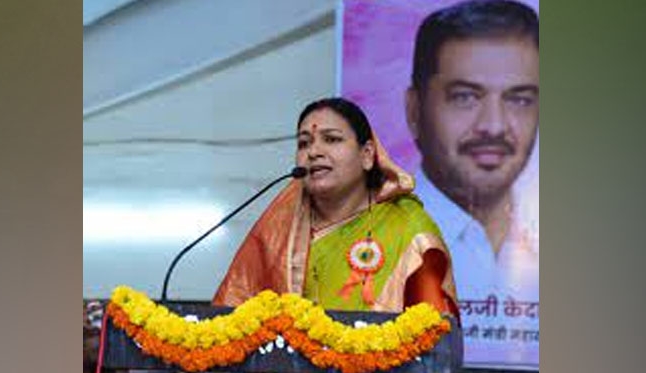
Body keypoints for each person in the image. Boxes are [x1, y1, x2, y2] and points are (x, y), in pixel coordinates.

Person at [213, 97, 458, 315]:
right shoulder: (277, 230)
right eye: (304, 143)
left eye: (331, 139)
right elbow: (233, 316)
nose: (313, 152)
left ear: (367, 155)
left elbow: (434, 334)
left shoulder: (407, 227)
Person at [405, 0, 539, 303]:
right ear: (414, 110)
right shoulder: (374, 240)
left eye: (519, 99)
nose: (494, 126)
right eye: (465, 97)